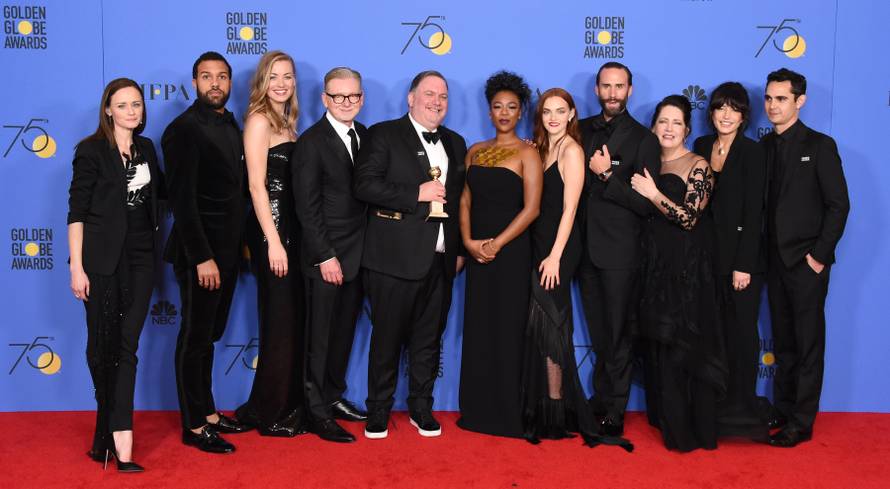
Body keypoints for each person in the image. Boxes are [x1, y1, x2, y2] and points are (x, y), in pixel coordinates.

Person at [354, 70, 467, 439]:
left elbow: (462, 202)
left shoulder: (456, 142)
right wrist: (414, 194)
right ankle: (378, 411)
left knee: (428, 341)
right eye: (429, 94)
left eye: (443, 96)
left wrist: (458, 250)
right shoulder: (383, 134)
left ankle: (421, 408)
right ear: (411, 97)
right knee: (386, 339)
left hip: (440, 260)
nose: (437, 102)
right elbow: (364, 185)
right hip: (392, 259)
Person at [68, 78, 163, 472]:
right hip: (101, 261)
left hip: (142, 258)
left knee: (126, 345)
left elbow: (160, 199)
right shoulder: (91, 150)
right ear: (107, 109)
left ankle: (121, 440)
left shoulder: (147, 149)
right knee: (100, 348)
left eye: (136, 104)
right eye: (122, 105)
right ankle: (104, 434)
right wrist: (77, 267)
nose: (131, 111)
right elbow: (77, 213)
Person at [163, 51, 250, 454]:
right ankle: (194, 425)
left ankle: (209, 413)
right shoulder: (183, 130)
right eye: (206, 76)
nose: (215, 83)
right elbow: (182, 202)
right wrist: (202, 257)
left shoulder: (231, 123)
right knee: (195, 338)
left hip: (228, 253)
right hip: (200, 255)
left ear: (230, 82)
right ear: (194, 82)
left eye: (222, 77)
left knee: (210, 337)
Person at [522, 88, 618, 448]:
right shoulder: (539, 148)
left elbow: (570, 209)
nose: (553, 118)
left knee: (553, 325)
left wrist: (555, 256)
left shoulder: (572, 151)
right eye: (547, 111)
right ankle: (541, 404)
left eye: (560, 111)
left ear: (572, 114)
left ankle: (556, 410)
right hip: (538, 243)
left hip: (559, 247)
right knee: (540, 325)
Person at [630, 95, 725, 452]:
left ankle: (689, 430)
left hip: (686, 269)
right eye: (663, 121)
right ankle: (666, 419)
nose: (668, 129)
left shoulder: (698, 165)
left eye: (676, 123)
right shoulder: (648, 161)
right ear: (653, 126)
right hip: (653, 265)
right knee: (658, 344)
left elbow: (689, 218)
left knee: (682, 344)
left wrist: (653, 193)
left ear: (687, 129)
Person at [760, 68, 849, 448]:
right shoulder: (764, 147)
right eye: (769, 98)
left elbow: (839, 205)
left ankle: (802, 421)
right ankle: (782, 409)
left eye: (781, 98)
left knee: (808, 344)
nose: (772, 105)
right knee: (783, 342)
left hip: (806, 263)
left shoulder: (821, 145)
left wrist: (818, 256)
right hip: (773, 262)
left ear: (800, 101)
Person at [457, 71, 542, 439]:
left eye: (511, 106)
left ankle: (508, 412)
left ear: (521, 112)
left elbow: (532, 208)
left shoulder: (528, 152)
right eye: (497, 106)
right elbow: (464, 200)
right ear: (489, 111)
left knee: (508, 330)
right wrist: (469, 242)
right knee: (480, 328)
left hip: (510, 255)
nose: (504, 113)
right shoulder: (474, 151)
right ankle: (477, 409)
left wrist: (496, 244)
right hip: (477, 254)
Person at [578, 62, 661, 437]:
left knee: (619, 334)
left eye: (619, 86)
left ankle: (615, 409)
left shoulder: (644, 139)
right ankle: (599, 400)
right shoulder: (579, 130)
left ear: (630, 90)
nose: (613, 93)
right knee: (599, 332)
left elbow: (645, 204)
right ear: (597, 89)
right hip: (584, 250)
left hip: (621, 253)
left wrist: (607, 175)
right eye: (606, 86)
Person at [293, 67, 369, 443]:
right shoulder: (311, 142)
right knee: (319, 337)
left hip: (358, 254)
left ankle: (333, 396)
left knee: (342, 333)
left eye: (353, 96)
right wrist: (325, 256)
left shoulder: (366, 136)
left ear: (361, 98)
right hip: (326, 256)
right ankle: (315, 411)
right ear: (325, 99)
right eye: (338, 96)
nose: (346, 102)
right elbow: (307, 207)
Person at [233, 50, 306, 438]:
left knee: (290, 319)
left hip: (292, 228)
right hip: (271, 229)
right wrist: (274, 242)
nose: (281, 83)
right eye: (274, 77)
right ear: (262, 81)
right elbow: (256, 186)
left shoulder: (289, 123)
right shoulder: (259, 120)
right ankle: (271, 411)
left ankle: (284, 404)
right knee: (279, 319)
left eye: (288, 76)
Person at [693, 82, 769, 442]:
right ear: (711, 113)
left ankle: (742, 403)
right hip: (707, 258)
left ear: (743, 116)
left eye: (734, 109)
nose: (726, 115)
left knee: (741, 333)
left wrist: (744, 265)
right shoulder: (701, 146)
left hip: (740, 260)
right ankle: (716, 403)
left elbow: (755, 213)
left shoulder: (753, 152)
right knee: (713, 333)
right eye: (720, 107)